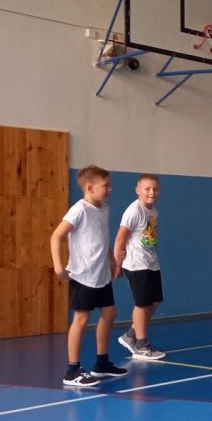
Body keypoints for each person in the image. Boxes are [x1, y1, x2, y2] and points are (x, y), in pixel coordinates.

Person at [49, 165, 128, 387]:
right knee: (81, 319)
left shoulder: (103, 208)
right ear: (90, 188)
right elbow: (56, 237)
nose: (110, 189)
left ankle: (102, 363)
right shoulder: (79, 210)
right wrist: (59, 268)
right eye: (106, 186)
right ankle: (72, 370)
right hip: (83, 275)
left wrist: (113, 262)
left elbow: (102, 239)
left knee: (109, 312)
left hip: (101, 273)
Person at [114, 173, 166, 361]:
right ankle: (141, 345)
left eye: (155, 189)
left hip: (151, 263)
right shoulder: (134, 210)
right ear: (138, 190)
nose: (152, 192)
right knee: (142, 304)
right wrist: (117, 264)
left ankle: (130, 336)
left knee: (155, 302)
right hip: (136, 264)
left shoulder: (153, 211)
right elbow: (120, 239)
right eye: (147, 189)